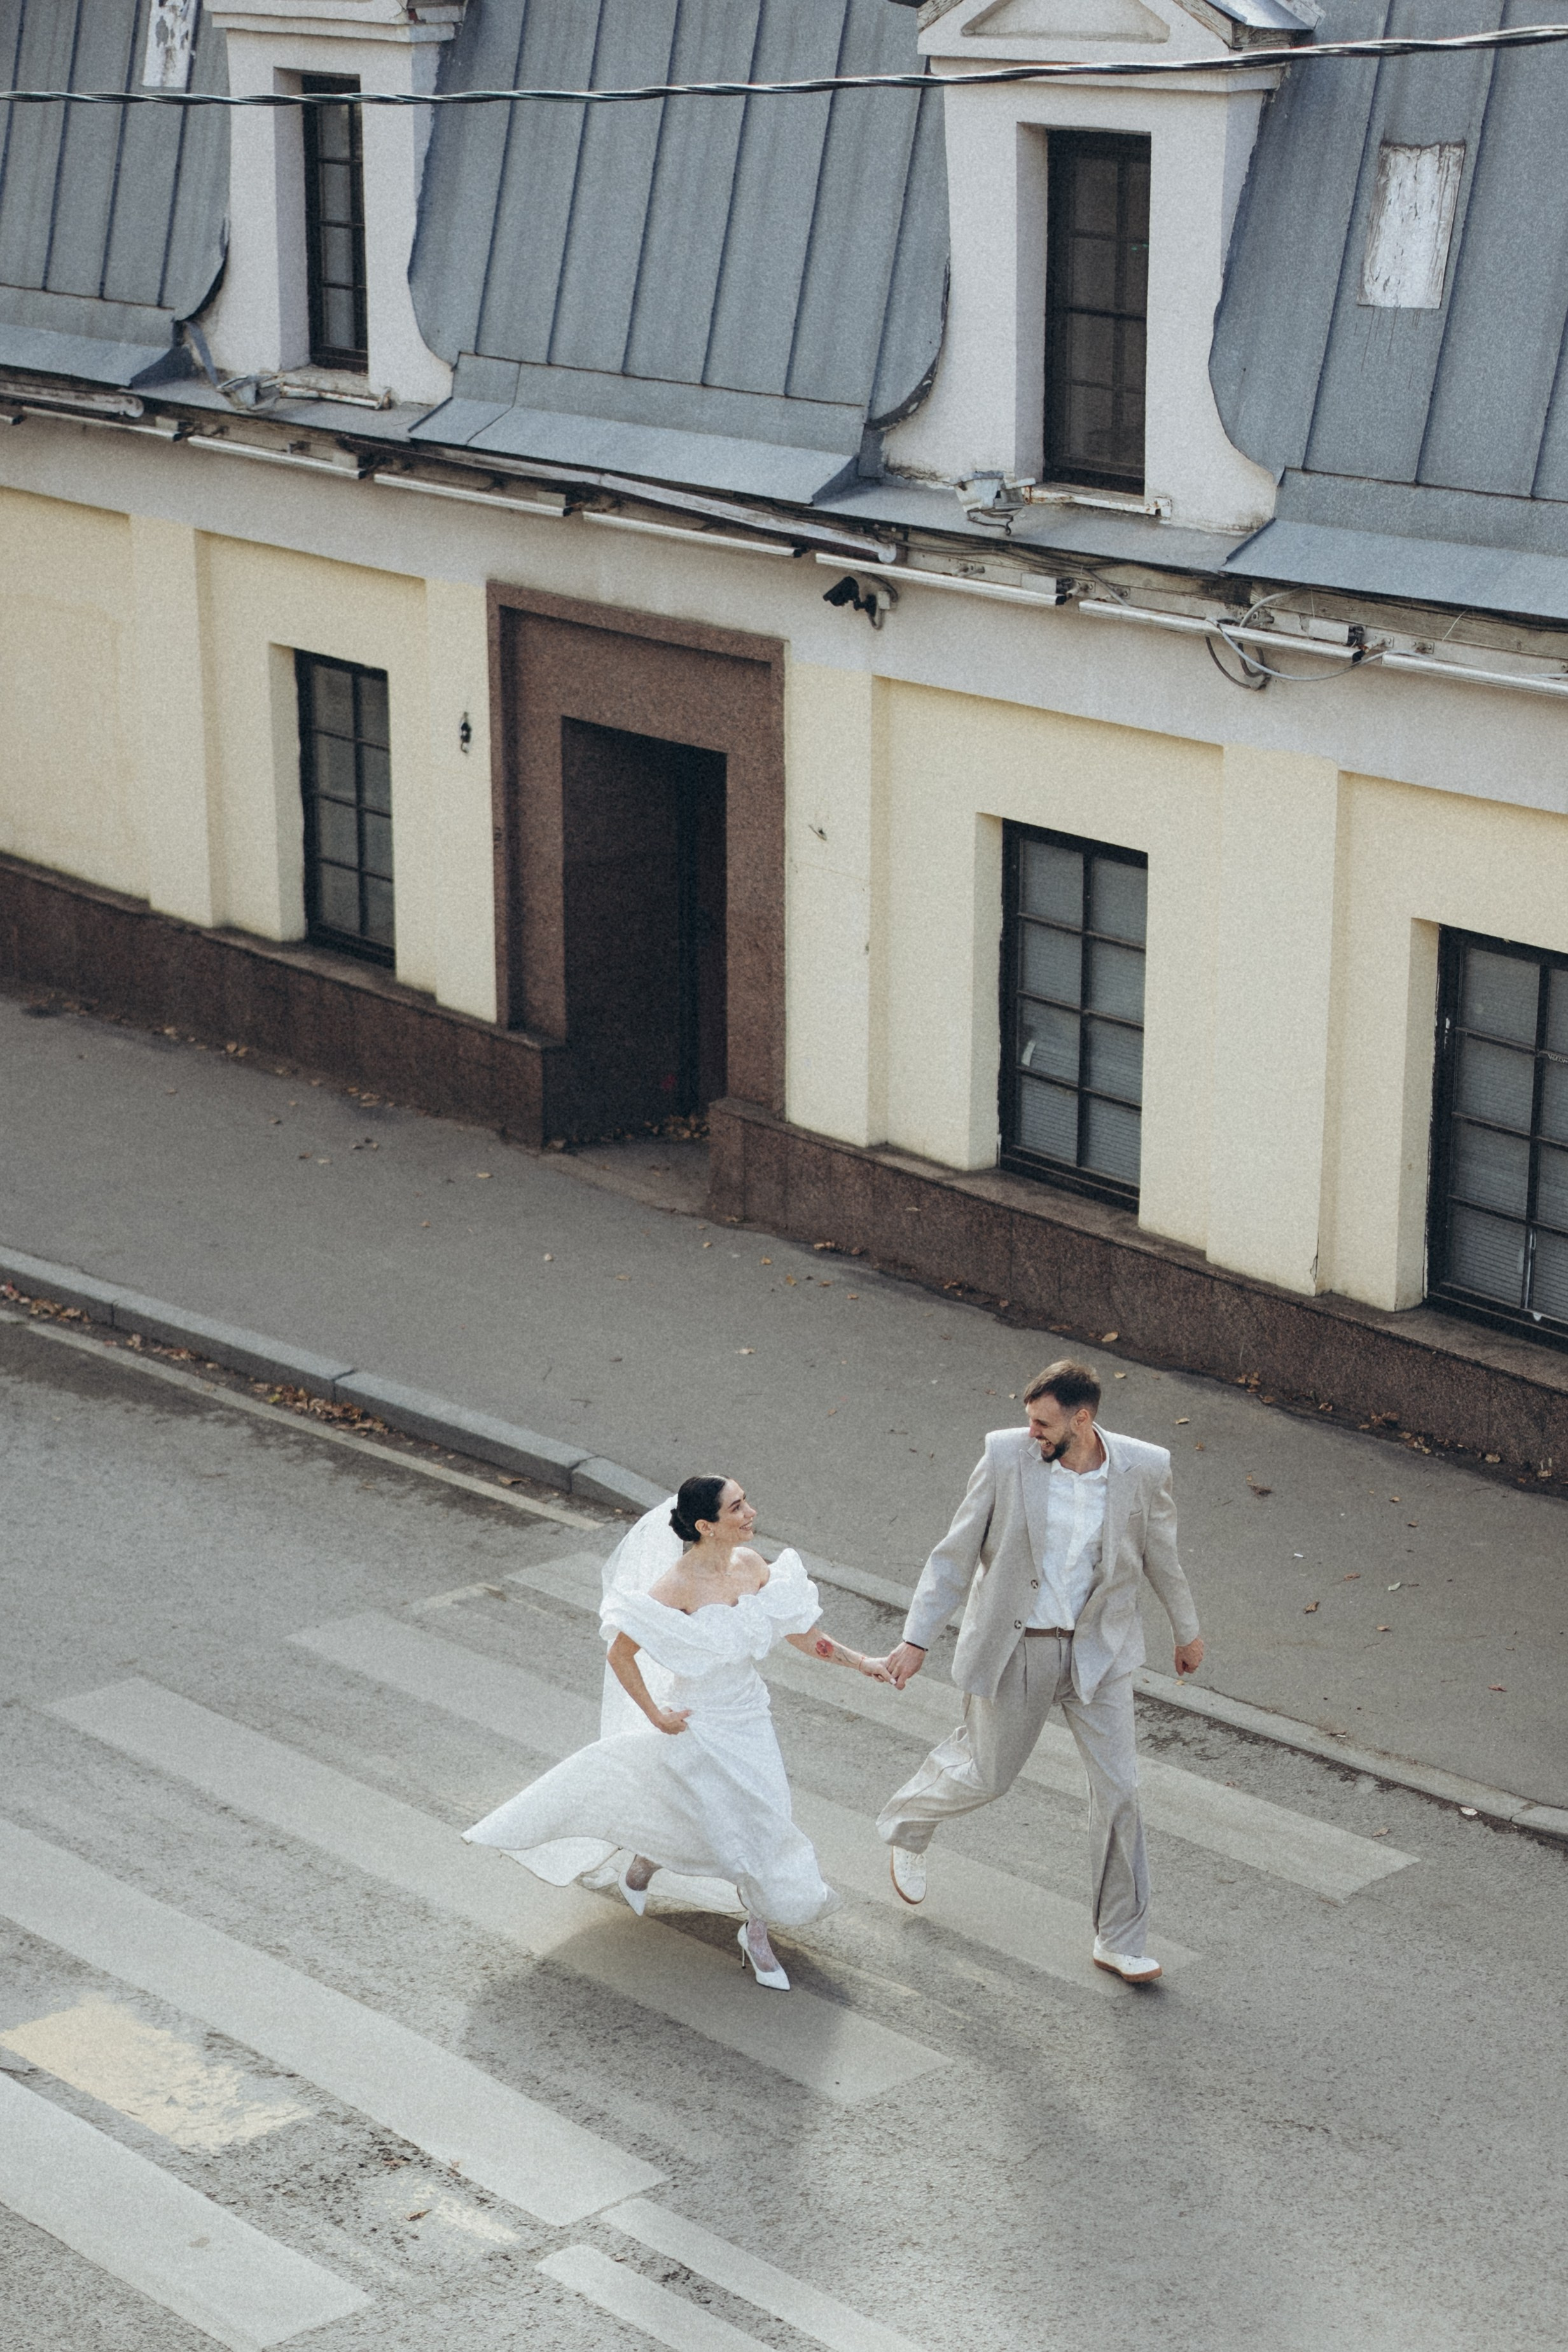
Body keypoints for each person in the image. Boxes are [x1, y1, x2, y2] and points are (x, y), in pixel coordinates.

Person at [464, 1474, 894, 1991]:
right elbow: (621, 1654)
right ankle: (657, 1869)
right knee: (712, 1815)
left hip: (749, 1718)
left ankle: (748, 1928)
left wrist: (862, 1661)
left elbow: (802, 1632)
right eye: (737, 1507)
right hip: (701, 1721)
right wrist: (655, 1715)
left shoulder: (754, 1566)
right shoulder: (676, 1586)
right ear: (705, 1526)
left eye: (746, 1501)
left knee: (766, 1820)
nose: (751, 1512)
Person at [877, 1361, 1204, 1983]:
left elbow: (1162, 1554)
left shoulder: (1141, 1469)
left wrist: (1185, 1630)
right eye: (1029, 1419)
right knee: (987, 1772)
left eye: (1043, 1421)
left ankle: (1118, 1937)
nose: (1031, 1431)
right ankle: (906, 1824)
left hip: (1098, 1651)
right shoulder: (1005, 1457)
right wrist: (915, 1638)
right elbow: (953, 1555)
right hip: (1018, 1644)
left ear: (1082, 1418)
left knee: (1120, 1792)